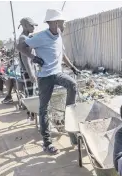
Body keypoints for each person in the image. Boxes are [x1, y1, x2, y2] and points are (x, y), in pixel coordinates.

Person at [17, 9, 80, 154]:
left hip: (57, 73)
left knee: (73, 84)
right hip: (45, 77)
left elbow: (62, 54)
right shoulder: (40, 37)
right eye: (62, 22)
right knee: (43, 109)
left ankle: (68, 114)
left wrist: (73, 67)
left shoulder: (59, 36)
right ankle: (47, 143)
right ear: (54, 23)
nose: (64, 25)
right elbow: (20, 46)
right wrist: (33, 58)